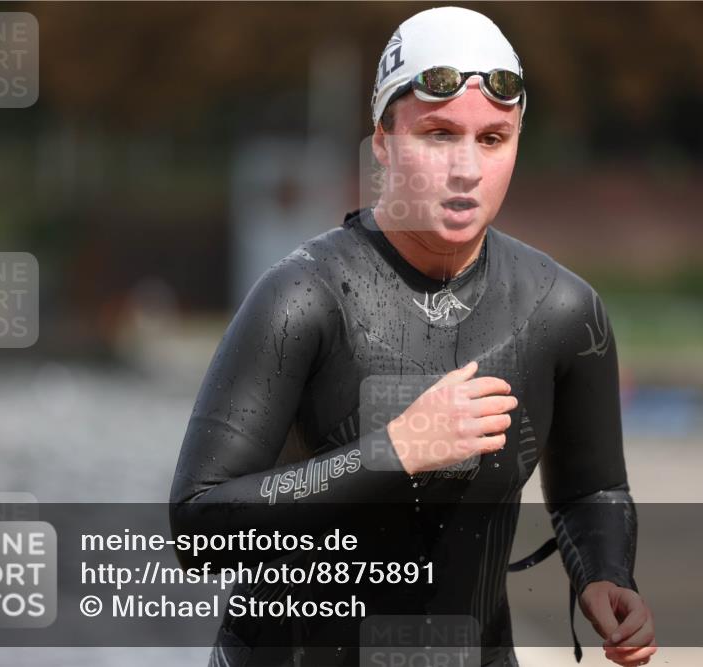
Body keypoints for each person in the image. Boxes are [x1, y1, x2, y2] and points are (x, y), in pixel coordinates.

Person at [170, 6, 657, 666]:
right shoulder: (302, 297)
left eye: (492, 139)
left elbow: (590, 489)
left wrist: (604, 573)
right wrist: (396, 450)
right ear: (383, 141)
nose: (466, 169)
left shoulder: (560, 311)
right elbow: (198, 526)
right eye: (438, 135)